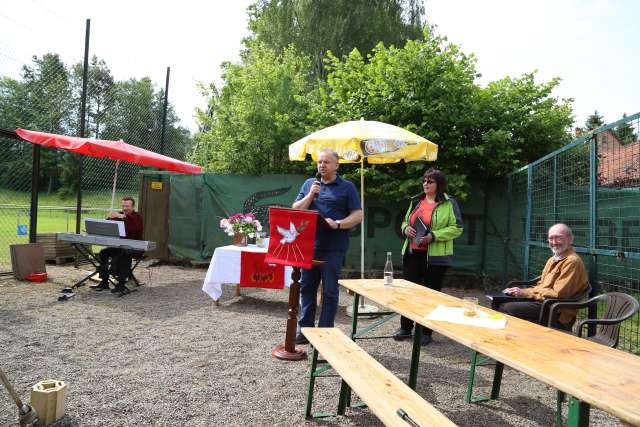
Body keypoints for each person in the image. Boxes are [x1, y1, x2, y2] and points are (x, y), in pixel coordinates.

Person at [292, 149, 363, 344]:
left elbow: (358, 215)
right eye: (319, 162)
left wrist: (339, 223)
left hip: (333, 247)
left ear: (336, 165)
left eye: (326, 162)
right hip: (308, 246)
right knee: (306, 288)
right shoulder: (309, 184)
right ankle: (304, 329)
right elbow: (296, 209)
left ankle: (325, 333)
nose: (322, 165)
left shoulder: (347, 187)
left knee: (330, 291)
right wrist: (310, 196)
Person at [394, 168, 463, 345]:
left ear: (438, 184)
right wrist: (405, 229)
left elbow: (457, 228)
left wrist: (435, 235)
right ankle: (405, 328)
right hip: (413, 254)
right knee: (409, 293)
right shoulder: (416, 201)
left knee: (431, 295)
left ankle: (426, 332)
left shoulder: (449, 203)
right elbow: (405, 221)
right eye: (424, 180)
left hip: (436, 258)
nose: (425, 184)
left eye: (430, 181)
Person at [499, 223, 588, 329]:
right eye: (551, 238)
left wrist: (526, 293)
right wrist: (520, 292)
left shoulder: (572, 261)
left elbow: (558, 294)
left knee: (507, 308)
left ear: (570, 239)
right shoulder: (553, 259)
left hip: (556, 310)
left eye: (558, 238)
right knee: (500, 300)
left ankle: (520, 341)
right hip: (543, 303)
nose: (554, 242)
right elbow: (541, 286)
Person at [90, 196, 144, 294]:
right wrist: (110, 218)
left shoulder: (137, 217)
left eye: (127, 206)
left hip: (136, 247)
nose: (124, 208)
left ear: (133, 207)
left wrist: (121, 216)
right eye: (123, 206)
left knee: (124, 253)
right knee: (103, 252)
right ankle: (104, 281)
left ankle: (121, 284)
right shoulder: (119, 215)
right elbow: (106, 225)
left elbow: (135, 226)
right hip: (119, 246)